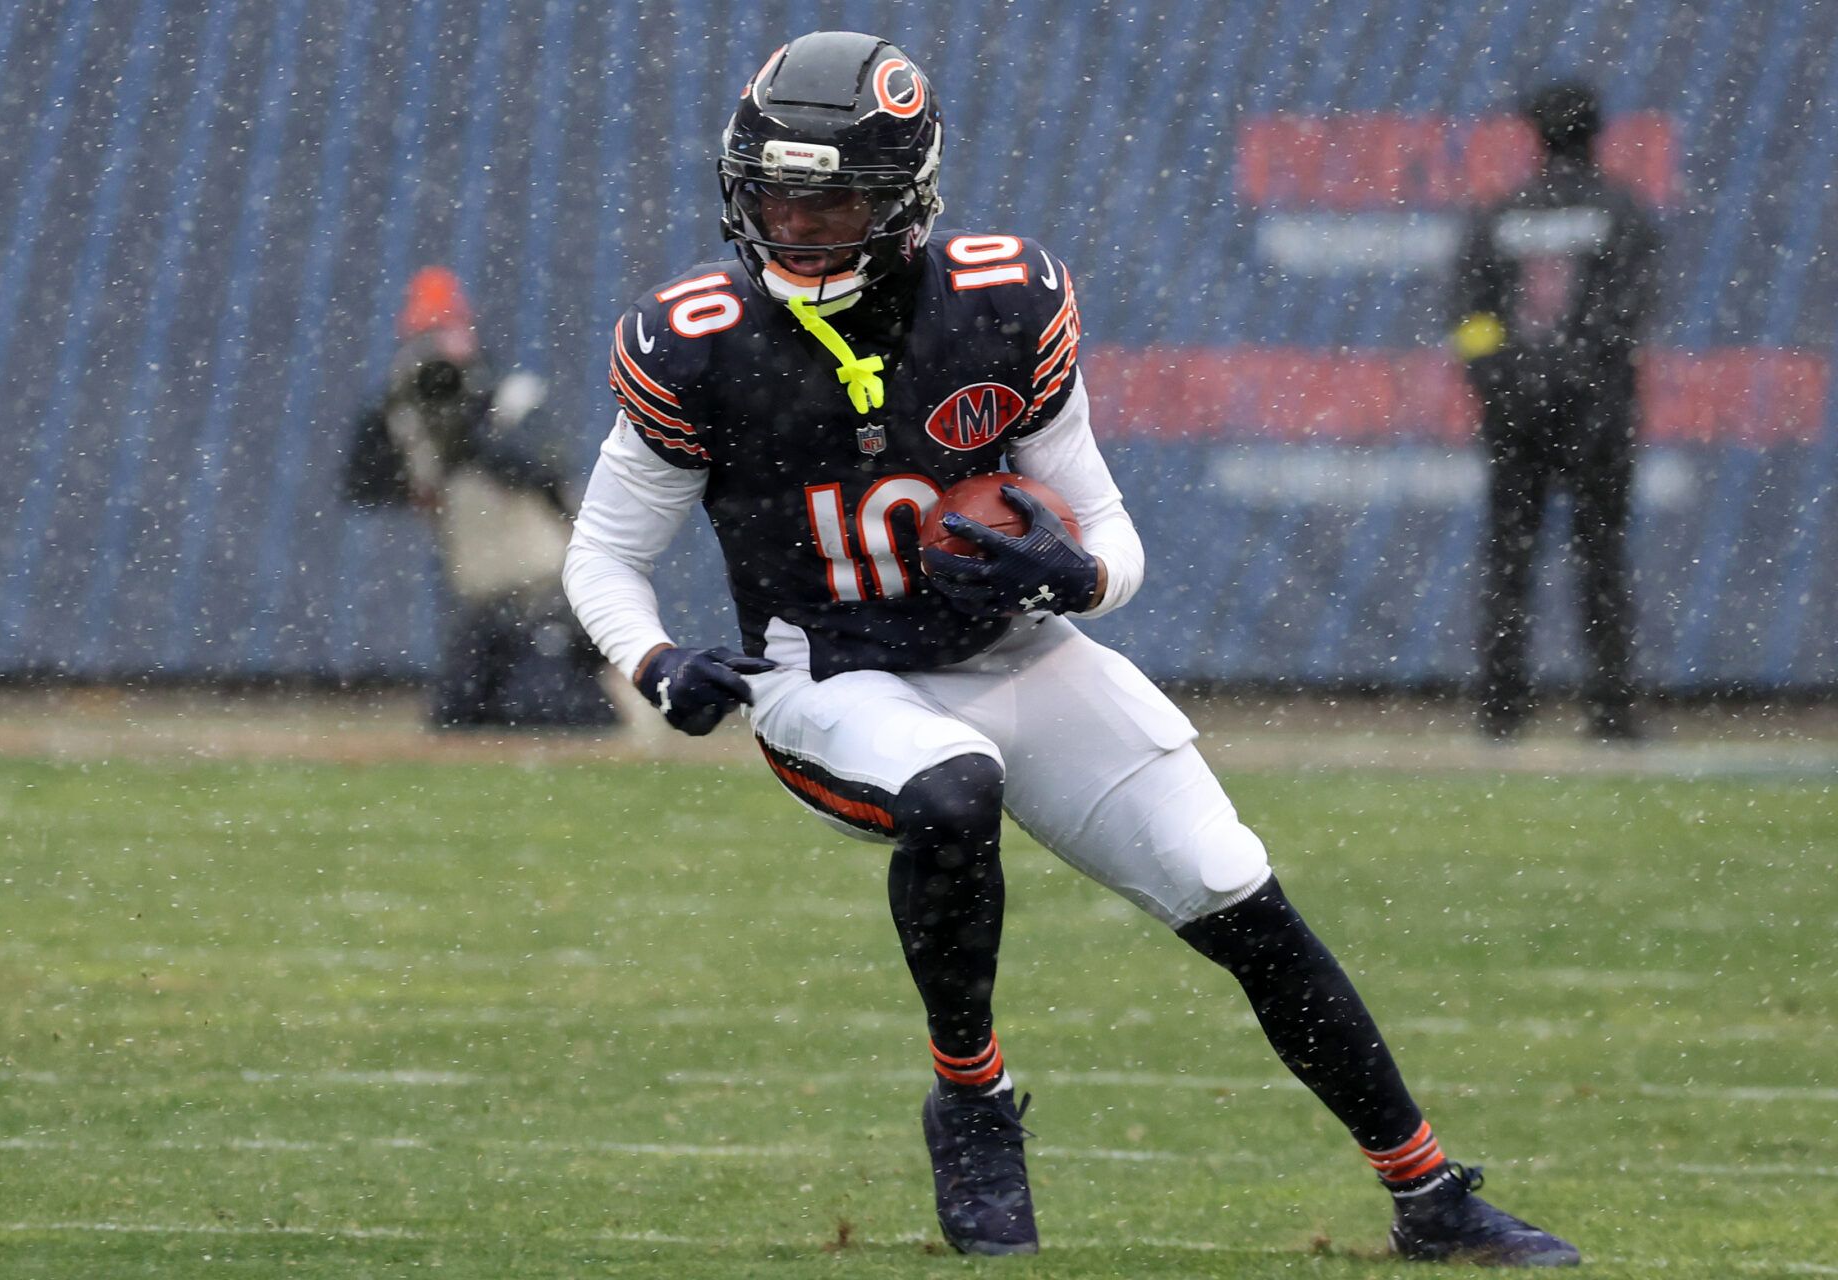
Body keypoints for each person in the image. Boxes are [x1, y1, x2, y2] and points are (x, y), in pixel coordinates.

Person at [563, 32, 1579, 1265]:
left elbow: (1108, 531)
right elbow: (602, 556)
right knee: (952, 787)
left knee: (1231, 883)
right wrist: (657, 659)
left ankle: (1429, 1193)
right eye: (775, 195)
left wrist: (1076, 577)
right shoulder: (699, 338)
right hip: (829, 672)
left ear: (907, 198)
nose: (797, 224)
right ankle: (972, 1097)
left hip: (1011, 651)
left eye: (833, 200)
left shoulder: (1000, 303)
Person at [1453, 81, 1660, 743]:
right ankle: (1611, 711)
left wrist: (1500, 381)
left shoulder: (1502, 212)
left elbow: (1471, 315)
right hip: (1597, 412)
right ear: (1597, 133)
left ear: (1535, 136)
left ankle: (1502, 711)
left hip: (1517, 414)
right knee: (1601, 559)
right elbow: (1632, 311)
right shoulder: (1623, 211)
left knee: (1510, 561)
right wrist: (1583, 377)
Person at [345, 266, 616, 731]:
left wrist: (474, 425)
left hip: (548, 590)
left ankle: (614, 707)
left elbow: (541, 469)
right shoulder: (412, 420)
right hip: (481, 599)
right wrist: (395, 417)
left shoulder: (511, 398)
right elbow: (363, 485)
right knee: (458, 711)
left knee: (549, 701)